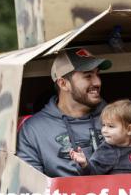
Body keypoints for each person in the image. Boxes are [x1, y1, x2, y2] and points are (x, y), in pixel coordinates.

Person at [17, 47, 112, 177]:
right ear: (63, 83)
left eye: (97, 74)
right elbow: (30, 185)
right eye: (88, 76)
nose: (97, 82)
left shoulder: (120, 117)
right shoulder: (33, 130)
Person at [70, 99, 131, 175]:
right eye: (103, 125)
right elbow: (93, 172)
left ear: (129, 129)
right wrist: (84, 164)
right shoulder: (107, 150)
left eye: (111, 126)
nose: (104, 130)